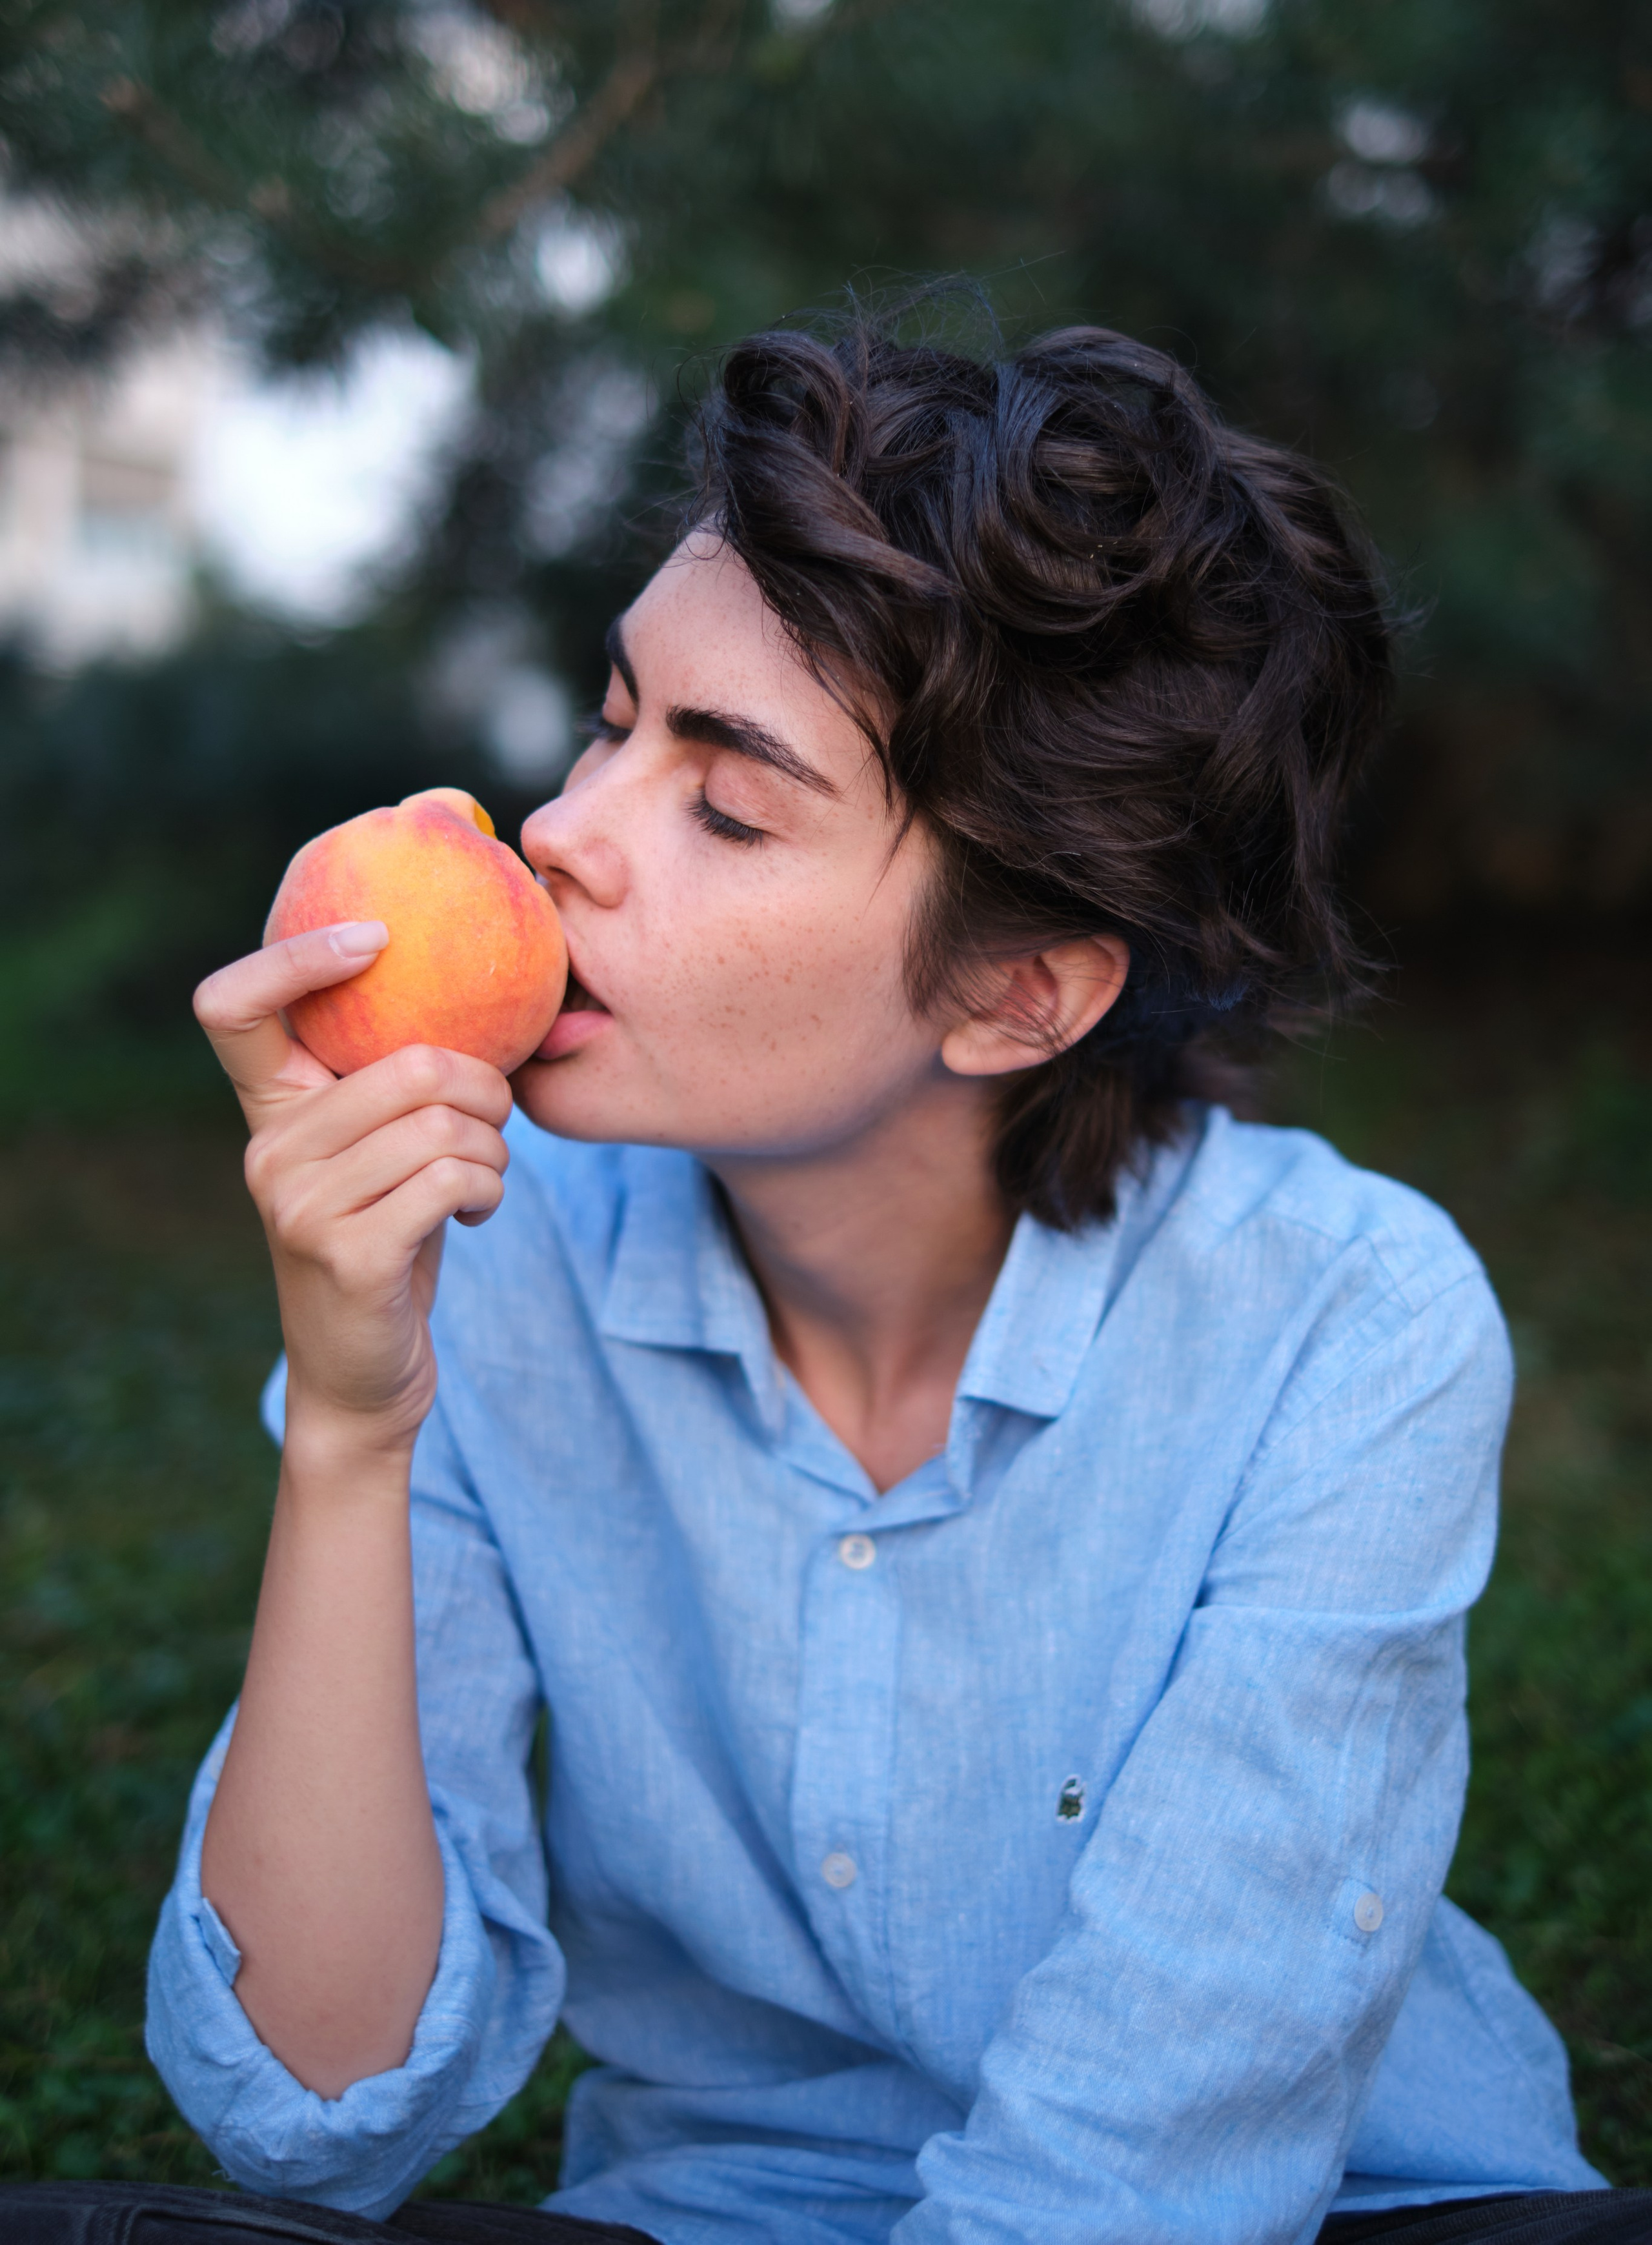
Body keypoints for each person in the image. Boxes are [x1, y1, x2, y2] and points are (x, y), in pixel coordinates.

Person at [12, 317, 1644, 2245]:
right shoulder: (496, 1246)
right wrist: (356, 1430)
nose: (558, 833)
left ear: (1017, 990)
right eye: (616, 721)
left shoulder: (1343, 1324)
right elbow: (315, 2116)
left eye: (723, 802)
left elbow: (1146, 2168)